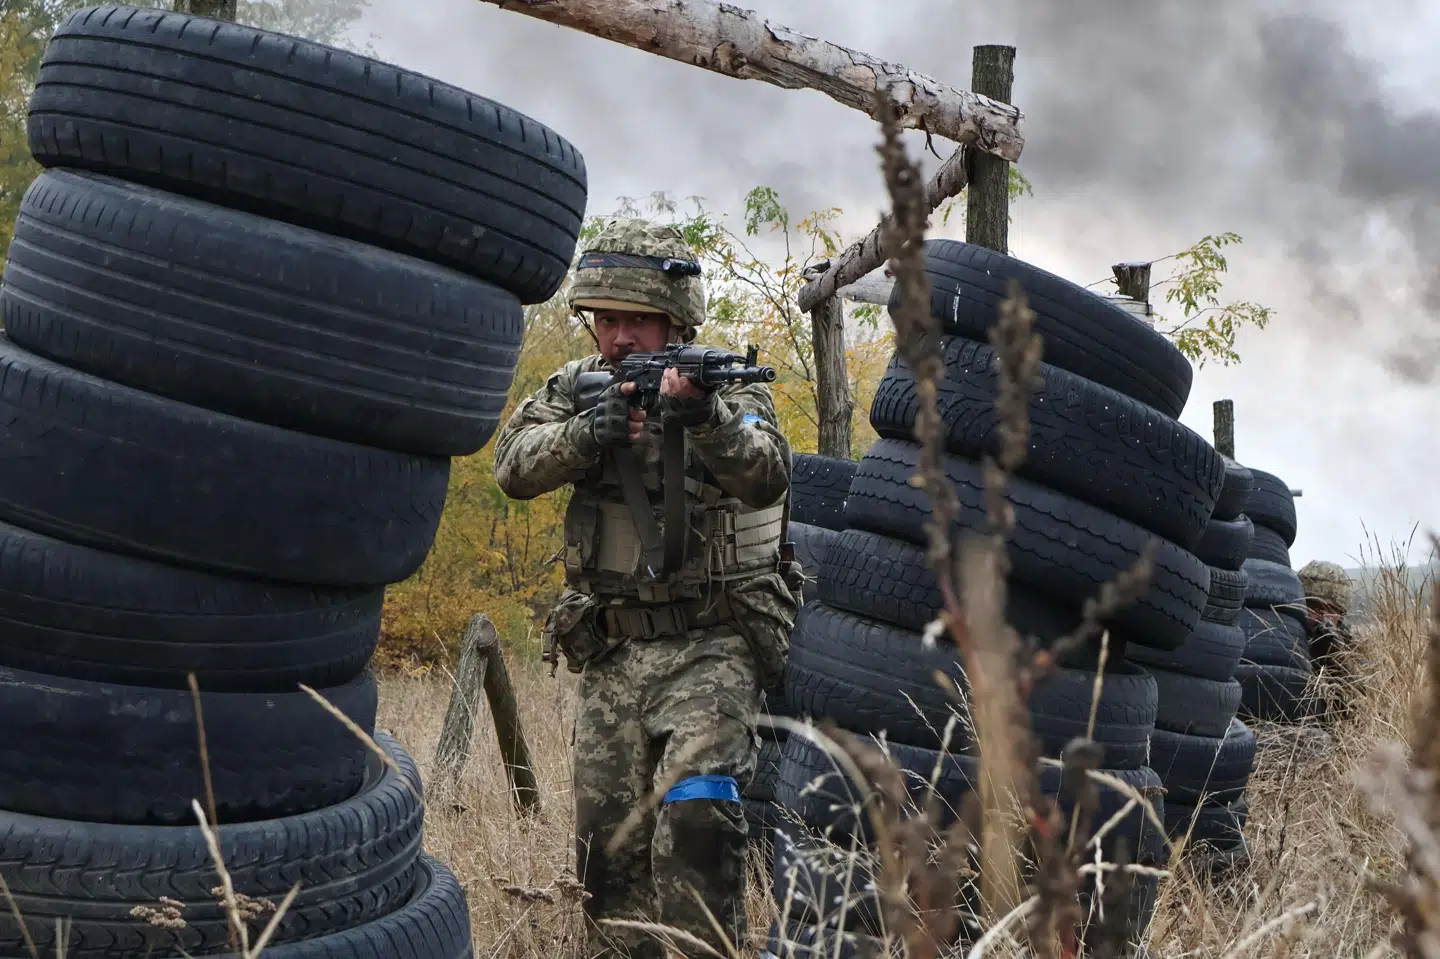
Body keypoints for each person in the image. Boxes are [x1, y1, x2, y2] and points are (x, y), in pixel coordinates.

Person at [492, 216, 801, 959]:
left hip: (712, 640)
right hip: (612, 647)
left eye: (637, 320)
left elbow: (768, 472)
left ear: (675, 322)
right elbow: (511, 464)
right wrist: (588, 434)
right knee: (607, 856)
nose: (620, 336)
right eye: (607, 320)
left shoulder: (723, 384)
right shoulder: (575, 387)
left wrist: (703, 418)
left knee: (696, 820)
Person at [1297, 560, 1358, 721]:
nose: (1321, 617)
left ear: (1341, 614)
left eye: (1329, 610)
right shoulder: (1284, 633)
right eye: (1314, 607)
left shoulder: (1351, 647)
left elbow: (1360, 702)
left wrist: (1336, 653)